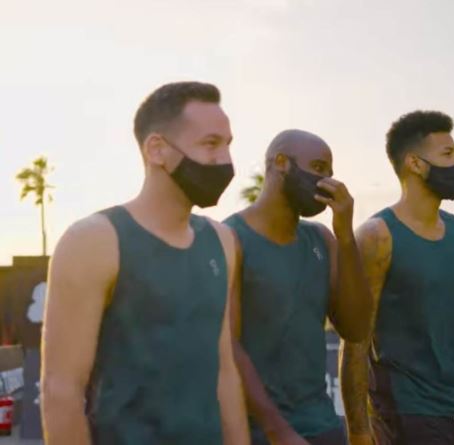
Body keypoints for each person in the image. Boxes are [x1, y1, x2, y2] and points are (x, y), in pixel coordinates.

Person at [41, 81, 249, 445]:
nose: (224, 160)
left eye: (228, 144)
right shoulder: (94, 240)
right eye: (210, 144)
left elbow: (224, 370)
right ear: (157, 149)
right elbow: (61, 391)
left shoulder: (222, 241)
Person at [340, 110, 454, 445]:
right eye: (448, 154)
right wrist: (358, 431)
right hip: (405, 414)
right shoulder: (377, 236)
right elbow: (355, 340)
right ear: (415, 163)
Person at [224, 129, 372, 445]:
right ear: (281, 163)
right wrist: (277, 430)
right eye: (318, 168)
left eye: (330, 172)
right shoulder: (231, 239)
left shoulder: (322, 239)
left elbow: (357, 328)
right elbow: (226, 349)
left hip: (323, 427)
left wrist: (346, 236)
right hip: (260, 433)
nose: (327, 182)